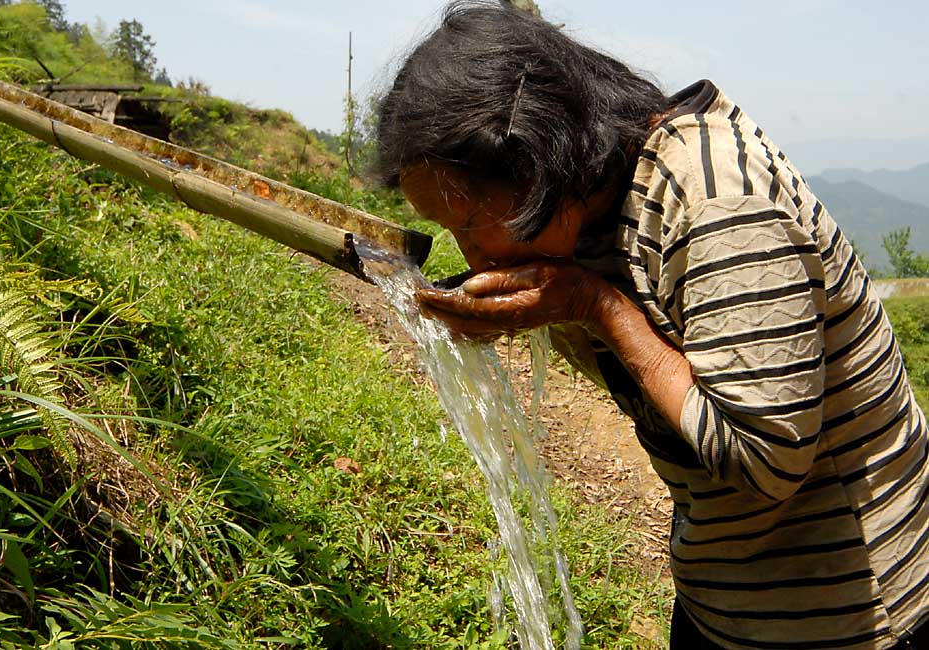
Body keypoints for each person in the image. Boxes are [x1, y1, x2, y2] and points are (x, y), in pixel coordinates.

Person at [372, 2, 929, 649]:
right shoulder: (595, 205)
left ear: (539, 160)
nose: (470, 256)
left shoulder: (717, 202)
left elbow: (766, 460)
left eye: (469, 224)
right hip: (722, 602)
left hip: (854, 615)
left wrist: (595, 307)